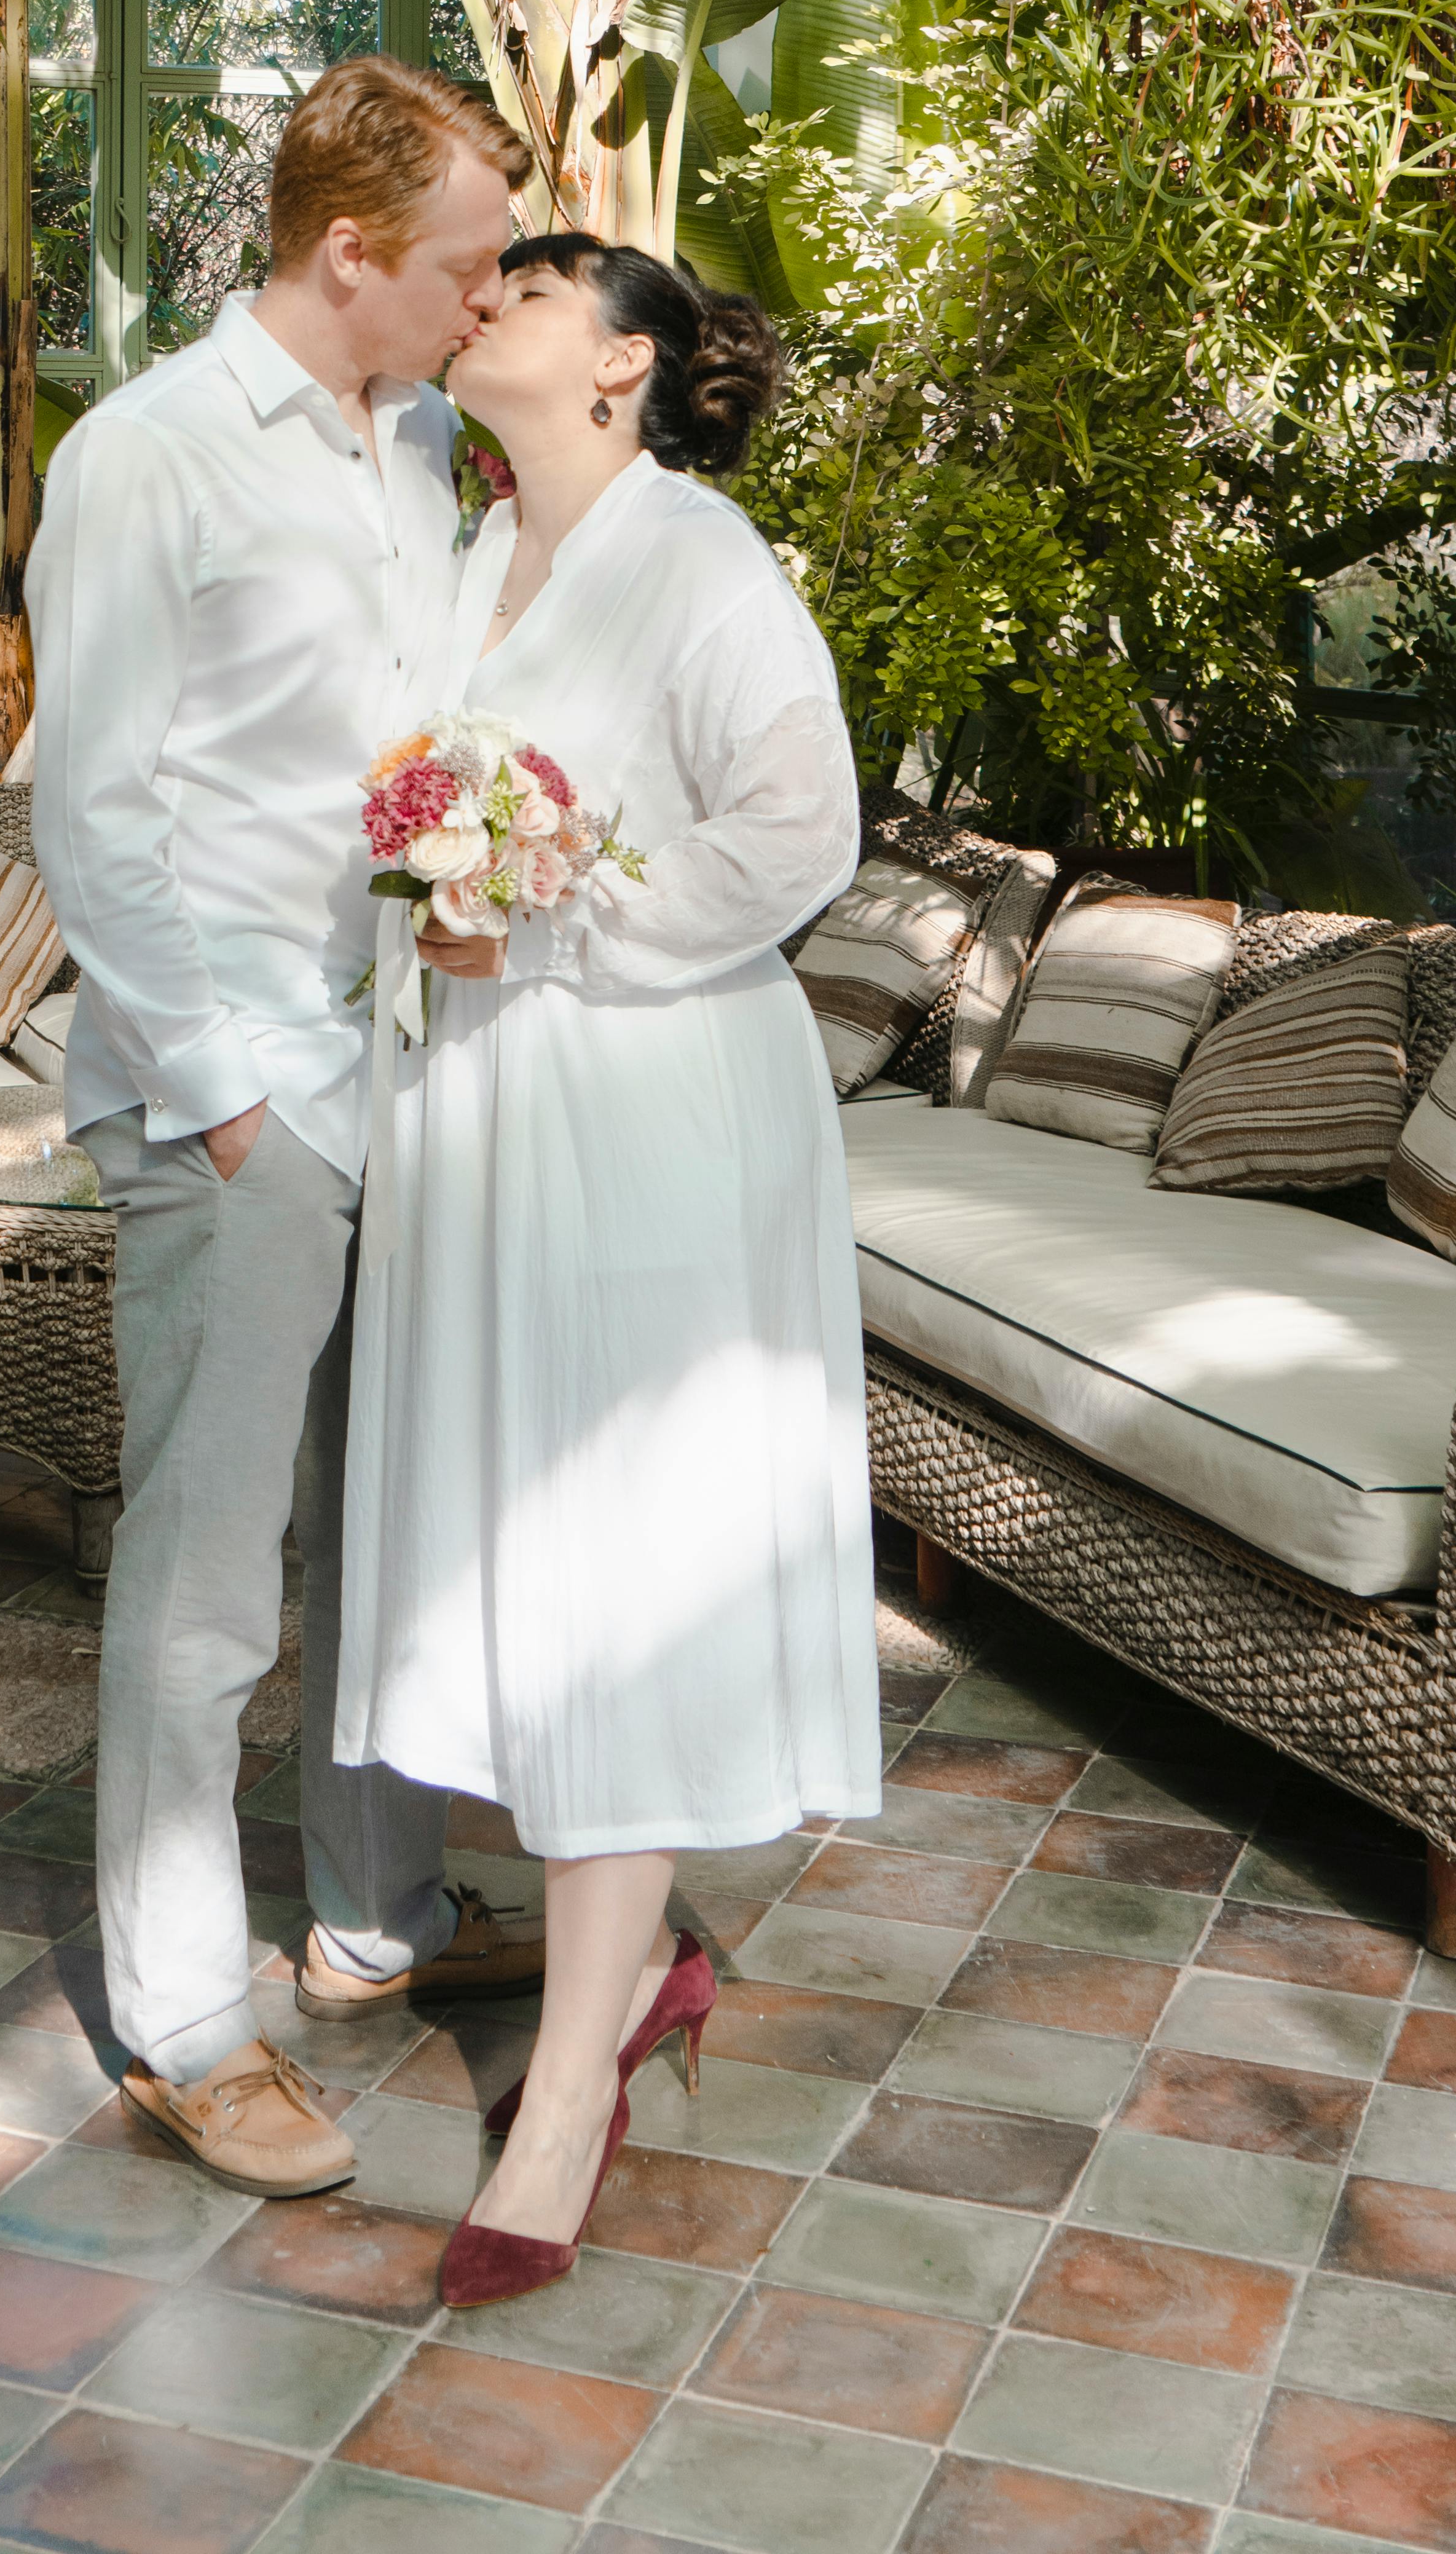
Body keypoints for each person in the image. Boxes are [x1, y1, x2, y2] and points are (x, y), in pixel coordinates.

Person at [335, 227, 880, 2305]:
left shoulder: (701, 560)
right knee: (524, 1550)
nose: (488, 303)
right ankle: (633, 1970)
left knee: (620, 1562)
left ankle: (568, 2097)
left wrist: (553, 913)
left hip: (653, 1110)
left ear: (625, 365)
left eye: (541, 290)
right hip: (487, 1109)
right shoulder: (470, 555)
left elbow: (798, 833)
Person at [26, 50, 549, 2197]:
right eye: (468, 265)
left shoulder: (417, 438)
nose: (492, 298)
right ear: (349, 252)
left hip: (396, 1074)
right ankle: (179, 2022)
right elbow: (90, 815)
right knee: (207, 1578)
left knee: (379, 1528)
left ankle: (374, 1914)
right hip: (232, 1091)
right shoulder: (145, 458)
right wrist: (227, 1098)